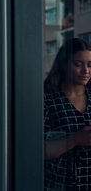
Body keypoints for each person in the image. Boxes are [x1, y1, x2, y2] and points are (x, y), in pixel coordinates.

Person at [44, 38, 91, 190]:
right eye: (78, 64)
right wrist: (75, 139)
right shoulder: (48, 100)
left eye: (90, 65)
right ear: (64, 65)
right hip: (60, 185)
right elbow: (35, 150)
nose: (86, 71)